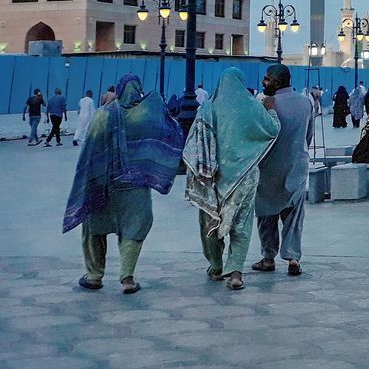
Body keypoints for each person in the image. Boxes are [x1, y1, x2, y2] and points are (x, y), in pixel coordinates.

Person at [63, 75, 184, 294]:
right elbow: (170, 131)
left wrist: (88, 180)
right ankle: (127, 278)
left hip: (104, 183)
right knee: (134, 229)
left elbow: (90, 151)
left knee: (93, 229)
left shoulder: (103, 114)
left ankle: (93, 275)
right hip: (136, 186)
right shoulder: (147, 115)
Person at [183, 68, 281, 291]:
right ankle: (235, 273)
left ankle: (216, 266)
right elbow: (273, 129)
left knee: (210, 221)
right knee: (242, 223)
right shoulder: (254, 107)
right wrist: (272, 111)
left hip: (213, 177)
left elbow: (195, 143)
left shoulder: (208, 108)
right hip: (245, 176)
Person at [252, 65, 313, 277]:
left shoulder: (265, 103)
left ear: (277, 82)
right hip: (296, 164)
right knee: (294, 214)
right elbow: (308, 135)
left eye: (267, 79)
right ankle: (293, 257)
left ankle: (268, 257)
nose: (263, 82)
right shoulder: (306, 101)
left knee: (265, 213)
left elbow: (258, 135)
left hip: (268, 167)